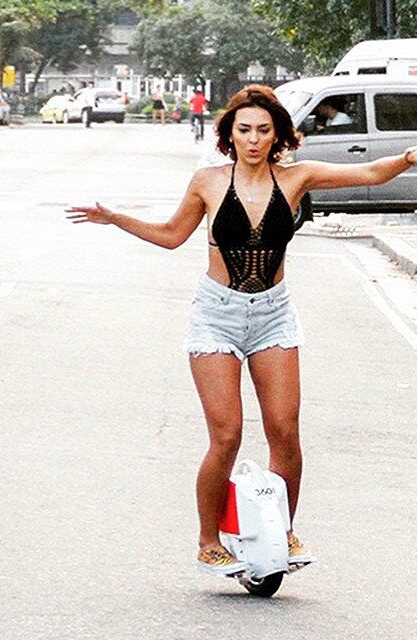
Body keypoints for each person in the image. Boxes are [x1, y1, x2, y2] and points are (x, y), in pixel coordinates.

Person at [65, 84, 417, 576]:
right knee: (227, 434)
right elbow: (171, 236)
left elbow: (371, 172)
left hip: (273, 315)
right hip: (217, 316)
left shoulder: (297, 178)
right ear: (229, 134)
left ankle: (283, 530)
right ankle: (208, 541)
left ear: (278, 135)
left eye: (263, 130)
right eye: (245, 129)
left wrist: (408, 157)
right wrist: (115, 218)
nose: (253, 139)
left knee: (285, 433)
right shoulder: (207, 182)